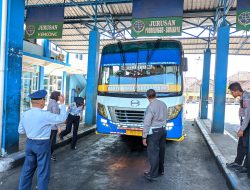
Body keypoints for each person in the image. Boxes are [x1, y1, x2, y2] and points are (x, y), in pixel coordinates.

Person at [18, 90, 67, 190]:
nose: (45, 101)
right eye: (44, 99)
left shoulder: (25, 114)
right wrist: (62, 104)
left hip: (29, 144)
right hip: (42, 144)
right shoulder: (45, 115)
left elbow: (20, 131)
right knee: (43, 172)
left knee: (27, 171)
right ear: (40, 101)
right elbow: (62, 118)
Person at [142, 89, 167, 181]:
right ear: (155, 95)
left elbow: (147, 122)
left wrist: (144, 136)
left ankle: (153, 174)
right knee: (161, 151)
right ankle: (161, 171)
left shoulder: (150, 107)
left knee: (153, 153)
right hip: (163, 130)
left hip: (154, 132)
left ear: (147, 97)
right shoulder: (163, 104)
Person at [227, 82, 250, 173]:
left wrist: (242, 129)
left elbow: (248, 116)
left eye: (232, 92)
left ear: (236, 91)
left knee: (246, 145)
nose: (231, 94)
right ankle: (238, 162)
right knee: (241, 144)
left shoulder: (247, 98)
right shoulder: (242, 97)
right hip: (245, 124)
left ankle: (246, 167)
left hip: (248, 125)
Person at [47, 91, 61, 161]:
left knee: (49, 141)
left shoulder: (50, 102)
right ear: (57, 96)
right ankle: (49, 155)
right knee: (52, 142)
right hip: (53, 126)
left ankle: (47, 154)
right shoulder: (54, 104)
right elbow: (55, 117)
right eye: (59, 96)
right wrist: (58, 127)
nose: (60, 97)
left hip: (49, 125)